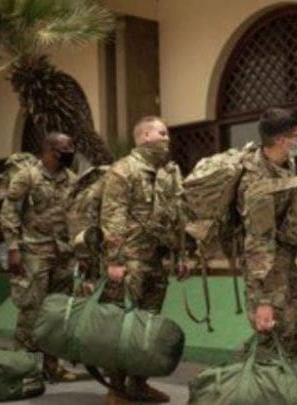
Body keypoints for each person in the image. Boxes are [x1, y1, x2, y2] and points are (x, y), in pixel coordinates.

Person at [101, 116, 187, 404]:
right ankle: (115, 389)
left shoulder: (167, 173)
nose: (167, 138)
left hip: (156, 261)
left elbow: (177, 216)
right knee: (122, 325)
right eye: (162, 133)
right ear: (145, 137)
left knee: (147, 326)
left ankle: (139, 384)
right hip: (130, 260)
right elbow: (112, 216)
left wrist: (181, 254)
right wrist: (114, 260)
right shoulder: (123, 170)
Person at [0, 132, 78, 381]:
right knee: (31, 310)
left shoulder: (72, 179)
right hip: (34, 251)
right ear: (50, 150)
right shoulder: (28, 176)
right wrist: (13, 247)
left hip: (63, 254)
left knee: (57, 311)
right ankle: (23, 367)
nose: (70, 152)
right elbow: (9, 211)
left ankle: (52, 365)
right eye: (65, 148)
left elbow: (77, 215)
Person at [237, 107, 297, 357]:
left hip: (284, 258)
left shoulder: (292, 164)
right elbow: (258, 243)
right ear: (282, 140)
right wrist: (264, 301)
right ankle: (259, 376)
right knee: (275, 331)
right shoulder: (256, 183)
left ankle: (289, 376)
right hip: (264, 266)